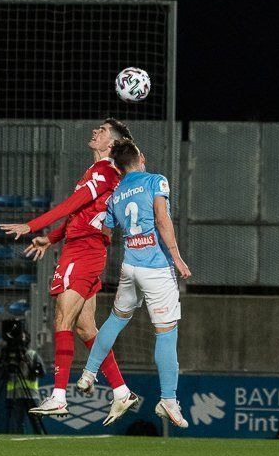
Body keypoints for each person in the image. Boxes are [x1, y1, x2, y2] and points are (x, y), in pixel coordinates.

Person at [0, 118, 137, 421]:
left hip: (83, 252)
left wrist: (32, 225)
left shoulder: (103, 172)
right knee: (86, 328)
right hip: (86, 248)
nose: (95, 133)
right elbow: (80, 213)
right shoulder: (101, 172)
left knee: (62, 318)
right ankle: (121, 391)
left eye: (101, 132)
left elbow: (72, 204)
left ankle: (59, 396)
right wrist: (51, 237)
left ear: (110, 145)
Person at [75, 138, 192, 427]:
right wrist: (177, 257)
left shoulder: (116, 194)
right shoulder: (155, 180)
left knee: (115, 320)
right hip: (156, 269)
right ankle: (168, 399)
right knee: (166, 332)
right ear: (140, 158)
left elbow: (106, 228)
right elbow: (163, 220)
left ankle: (89, 373)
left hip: (130, 267)